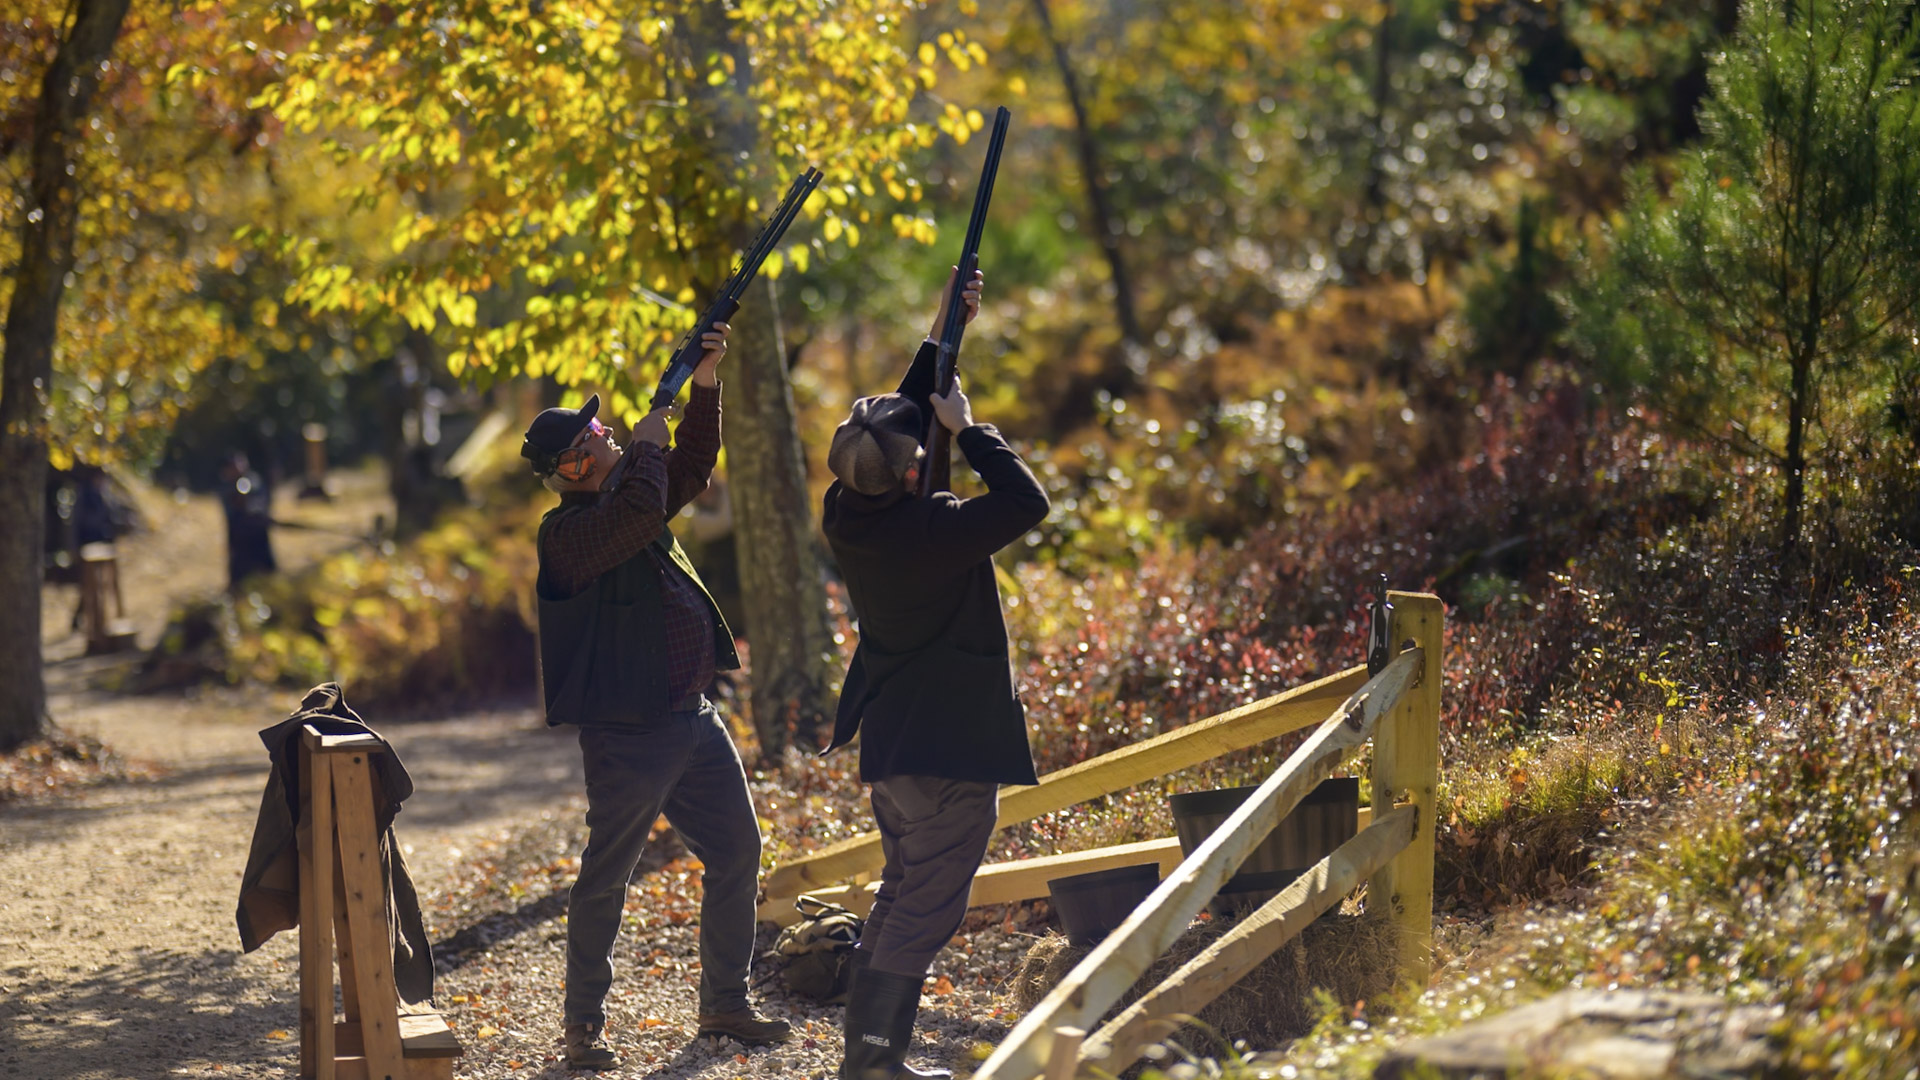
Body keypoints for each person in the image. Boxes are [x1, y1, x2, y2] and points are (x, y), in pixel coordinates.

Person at [520, 321, 790, 1071]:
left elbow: (693, 468)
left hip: (693, 718)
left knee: (738, 852)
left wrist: (702, 384)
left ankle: (725, 1002)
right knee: (606, 878)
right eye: (596, 434)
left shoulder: (632, 492)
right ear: (573, 465)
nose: (606, 434)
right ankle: (583, 1028)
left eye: (605, 427)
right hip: (628, 736)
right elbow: (638, 511)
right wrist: (645, 438)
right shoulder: (568, 537)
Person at [820, 271, 1050, 1080]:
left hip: (895, 747)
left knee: (899, 897)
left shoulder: (848, 512)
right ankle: (876, 1069)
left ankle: (867, 1064)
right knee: (923, 910)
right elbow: (1029, 503)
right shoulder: (938, 530)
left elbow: (899, 418)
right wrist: (974, 428)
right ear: (916, 473)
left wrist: (947, 322)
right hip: (946, 755)